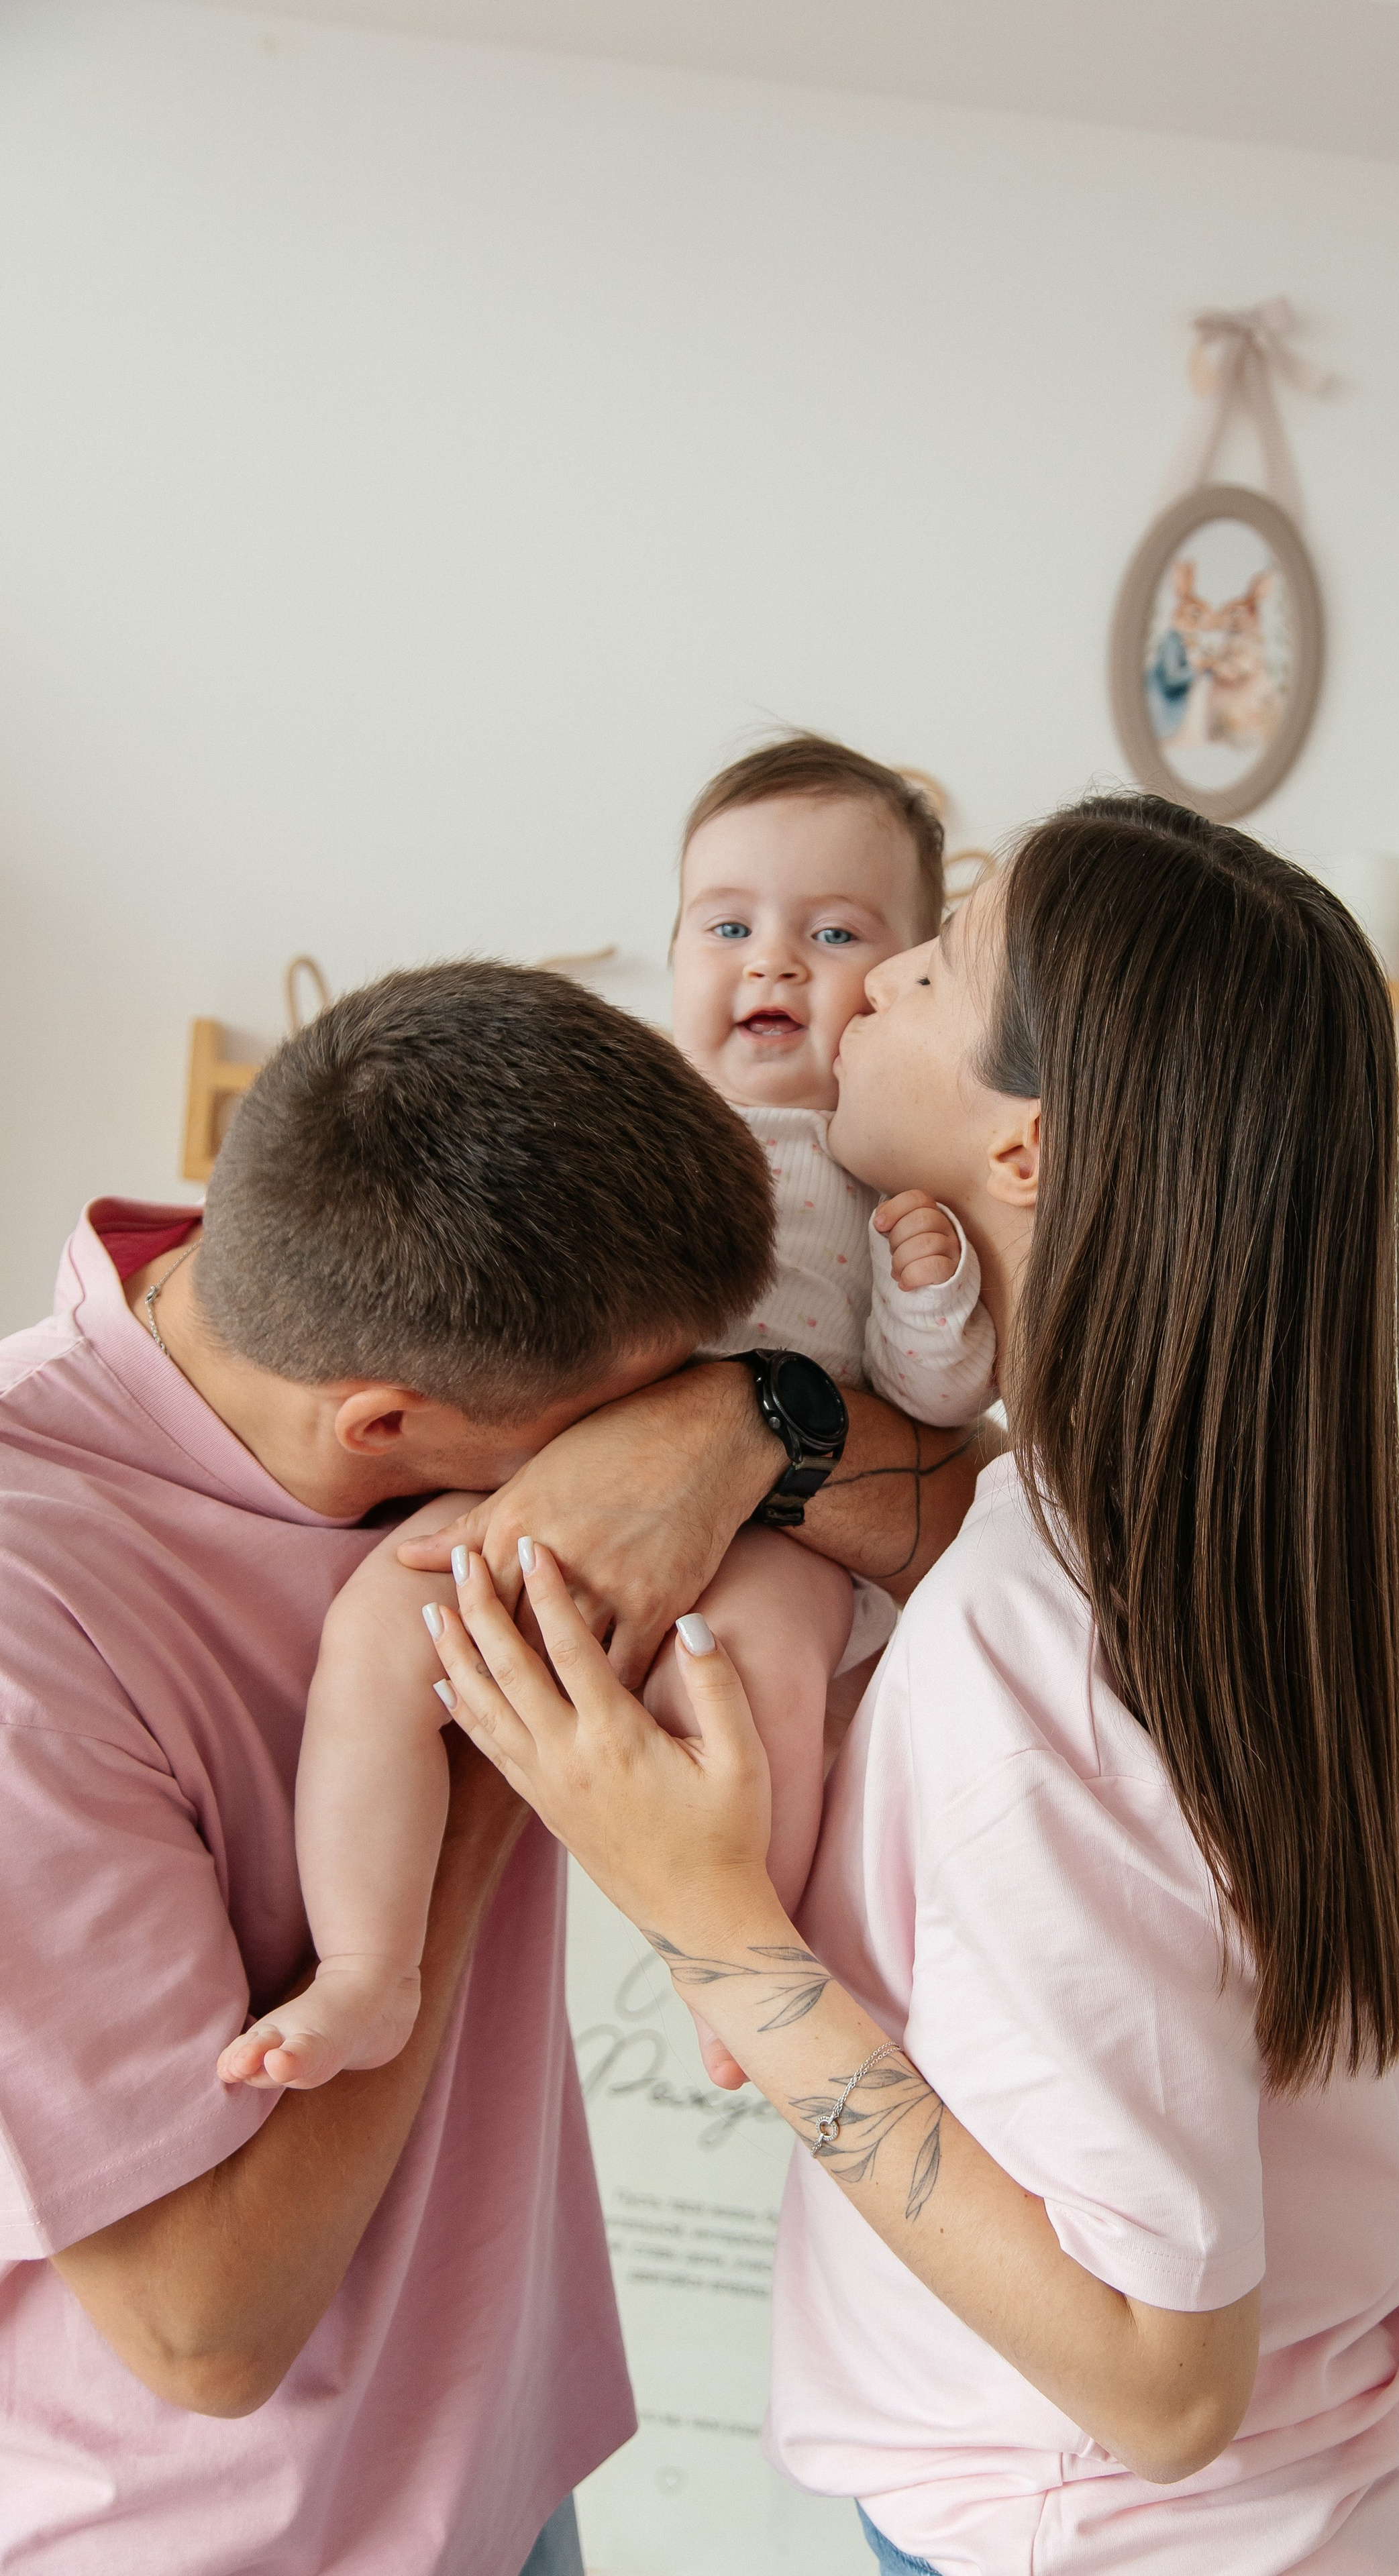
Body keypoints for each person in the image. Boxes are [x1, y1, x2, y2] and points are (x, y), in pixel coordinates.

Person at [419, 800, 1399, 2576]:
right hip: (1382, 2506)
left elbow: (1166, 2385)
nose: (870, 981)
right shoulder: (1264, 1543)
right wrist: (744, 1417)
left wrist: (710, 1929)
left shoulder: (1033, 1640)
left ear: (1024, 1150)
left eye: (934, 962)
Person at [0, 957, 979, 2576]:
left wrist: (745, 1424)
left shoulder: (402, 1267)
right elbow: (205, 2335)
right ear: (386, 1430)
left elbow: (969, 1521)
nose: (614, 1468)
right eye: (600, 1426)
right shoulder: (34, 1637)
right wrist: (489, 1732)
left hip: (505, 2474)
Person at [246, 734, 996, 2098]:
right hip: (554, 1479)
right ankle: (367, 1966)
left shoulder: (878, 1160)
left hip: (784, 1533)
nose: (771, 961)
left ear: (896, 984)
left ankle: (739, 1982)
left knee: (750, 1673)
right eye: (727, 924)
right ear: (672, 954)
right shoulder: (631, 1115)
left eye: (831, 932)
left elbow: (935, 1407)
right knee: (374, 1632)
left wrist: (936, 1298)